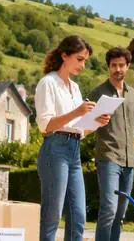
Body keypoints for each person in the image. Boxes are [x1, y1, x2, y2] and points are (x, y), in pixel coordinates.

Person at [35, 35, 112, 241]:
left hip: (74, 151)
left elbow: (78, 129)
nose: (83, 65)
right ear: (64, 55)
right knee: (52, 216)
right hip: (55, 150)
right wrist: (78, 112)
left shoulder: (75, 88)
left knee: (78, 216)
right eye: (79, 59)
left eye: (85, 60)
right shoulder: (48, 83)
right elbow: (45, 125)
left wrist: (96, 122)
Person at [88, 47, 134, 241]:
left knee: (120, 214)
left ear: (128, 67)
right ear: (108, 67)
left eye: (121, 65)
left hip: (129, 161)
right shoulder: (98, 93)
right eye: (114, 65)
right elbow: (86, 124)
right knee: (109, 209)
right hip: (108, 159)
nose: (117, 69)